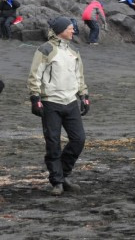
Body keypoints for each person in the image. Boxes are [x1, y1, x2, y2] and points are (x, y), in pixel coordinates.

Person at [27, 17, 90, 195]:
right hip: (50, 102)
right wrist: (35, 98)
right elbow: (35, 75)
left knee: (79, 139)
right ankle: (57, 182)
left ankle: (63, 173)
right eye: (70, 28)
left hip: (70, 101)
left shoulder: (74, 51)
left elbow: (79, 76)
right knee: (53, 142)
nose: (73, 31)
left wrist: (84, 96)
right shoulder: (45, 50)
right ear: (60, 30)